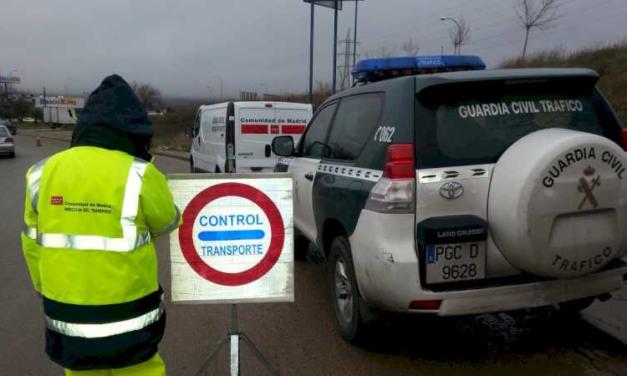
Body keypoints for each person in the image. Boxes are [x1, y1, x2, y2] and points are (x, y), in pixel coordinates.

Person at [21, 75, 180, 375]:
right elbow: (167, 221)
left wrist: (44, 287)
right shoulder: (140, 173)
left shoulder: (40, 174)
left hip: (68, 318)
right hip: (131, 318)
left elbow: (32, 242)